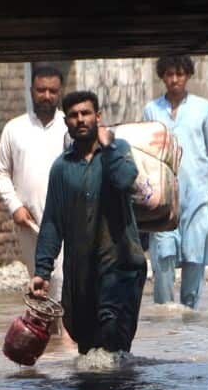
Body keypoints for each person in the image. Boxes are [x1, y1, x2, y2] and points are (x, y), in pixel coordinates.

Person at [30, 91, 148, 355]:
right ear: (66, 122)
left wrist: (110, 147)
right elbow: (52, 222)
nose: (80, 120)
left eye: (85, 113)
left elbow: (125, 180)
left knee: (112, 338)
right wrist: (42, 271)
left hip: (121, 266)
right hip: (81, 274)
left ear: (98, 117)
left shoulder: (118, 151)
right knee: (87, 349)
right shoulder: (61, 168)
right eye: (73, 115)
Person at [143, 54, 208, 309]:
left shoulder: (203, 107)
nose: (174, 79)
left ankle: (190, 313)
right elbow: (144, 148)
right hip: (163, 195)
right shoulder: (152, 110)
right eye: (169, 74)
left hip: (198, 193)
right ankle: (164, 313)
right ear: (162, 77)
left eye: (179, 74)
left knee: (194, 255)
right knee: (163, 255)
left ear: (188, 75)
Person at [0, 64, 68, 285]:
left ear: (59, 93)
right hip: (30, 223)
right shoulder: (14, 129)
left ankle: (64, 321)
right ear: (31, 91)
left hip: (65, 222)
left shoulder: (69, 128)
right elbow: (1, 171)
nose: (47, 96)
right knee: (38, 281)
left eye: (53, 91)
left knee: (63, 281)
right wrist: (14, 206)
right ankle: (45, 321)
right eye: (41, 90)